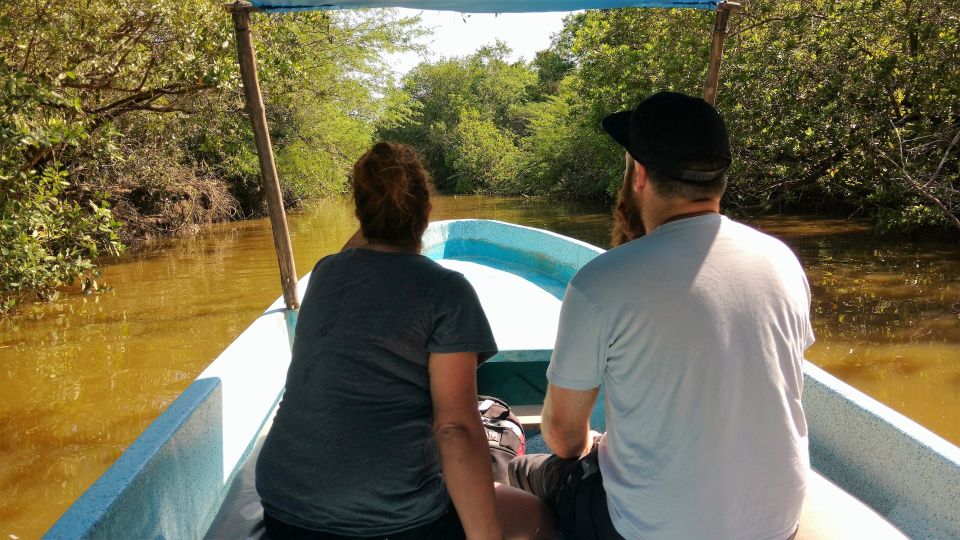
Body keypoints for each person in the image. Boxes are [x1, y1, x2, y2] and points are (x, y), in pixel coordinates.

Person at [509, 92, 813, 540]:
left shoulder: (601, 282)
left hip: (644, 530)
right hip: (777, 523)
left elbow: (561, 436)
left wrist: (591, 445)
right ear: (720, 180)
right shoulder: (782, 260)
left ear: (640, 174)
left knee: (529, 467)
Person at [256, 142, 554, 540]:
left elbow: (356, 248)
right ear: (427, 212)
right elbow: (454, 428)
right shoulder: (447, 291)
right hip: (395, 519)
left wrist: (377, 211)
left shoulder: (326, 273)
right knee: (533, 515)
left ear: (359, 214)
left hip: (286, 506)